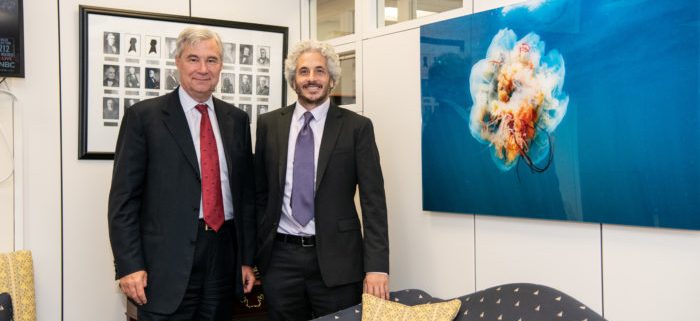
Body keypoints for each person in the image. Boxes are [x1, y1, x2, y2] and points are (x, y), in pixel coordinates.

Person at [108, 26, 257, 321]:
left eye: (211, 60)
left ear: (221, 66)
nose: (203, 69)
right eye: (193, 59)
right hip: (165, 263)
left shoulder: (236, 120)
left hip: (223, 256)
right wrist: (129, 264)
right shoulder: (144, 117)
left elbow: (245, 197)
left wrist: (246, 260)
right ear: (177, 62)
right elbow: (123, 201)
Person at [254, 40, 390, 321]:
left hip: (338, 260)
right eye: (304, 72)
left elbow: (373, 201)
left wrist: (377, 267)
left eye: (320, 71)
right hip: (280, 260)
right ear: (293, 80)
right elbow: (259, 194)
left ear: (331, 79)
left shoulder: (356, 128)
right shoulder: (269, 124)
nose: (312, 79)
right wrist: (253, 255)